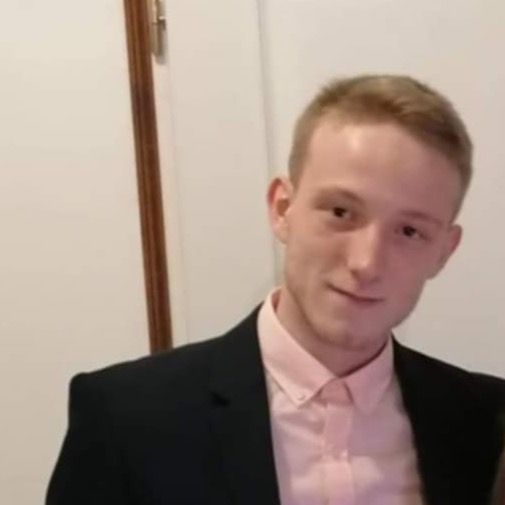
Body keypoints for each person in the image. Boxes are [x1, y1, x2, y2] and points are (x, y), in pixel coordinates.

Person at [46, 75, 505, 505]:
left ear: (444, 251)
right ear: (283, 208)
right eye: (341, 212)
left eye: (409, 231)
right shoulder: (126, 417)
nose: (366, 263)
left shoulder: (489, 422)